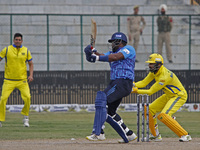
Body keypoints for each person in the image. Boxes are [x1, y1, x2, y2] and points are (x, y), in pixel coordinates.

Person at [84, 32, 137, 143]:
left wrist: (96, 58)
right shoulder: (112, 52)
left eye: (113, 42)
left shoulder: (129, 49)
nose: (112, 44)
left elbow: (115, 57)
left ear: (119, 42)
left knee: (101, 100)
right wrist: (90, 53)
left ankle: (99, 133)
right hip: (115, 83)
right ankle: (129, 134)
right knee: (110, 112)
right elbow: (101, 56)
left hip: (123, 82)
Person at [132, 53, 192, 142]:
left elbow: (150, 92)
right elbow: (144, 82)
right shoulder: (155, 72)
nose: (149, 65)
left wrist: (135, 90)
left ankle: (185, 135)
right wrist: (132, 84)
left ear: (159, 64)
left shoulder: (164, 77)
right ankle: (156, 136)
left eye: (151, 64)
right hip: (168, 95)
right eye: (149, 63)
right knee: (148, 109)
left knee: (164, 116)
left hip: (179, 95)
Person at [0, 33, 34, 127]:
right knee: (3, 99)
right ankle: (0, 120)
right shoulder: (7, 50)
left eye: (19, 40)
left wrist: (30, 75)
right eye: (16, 39)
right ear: (13, 40)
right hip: (8, 80)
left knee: (27, 97)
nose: (18, 41)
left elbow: (31, 64)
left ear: (22, 41)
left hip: (22, 80)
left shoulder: (26, 51)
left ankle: (26, 118)